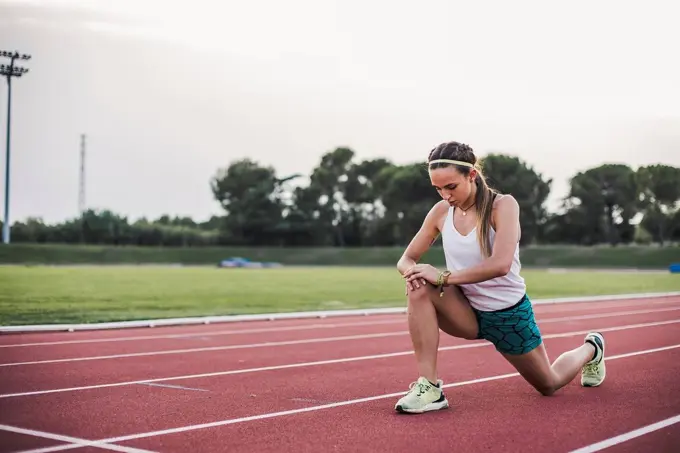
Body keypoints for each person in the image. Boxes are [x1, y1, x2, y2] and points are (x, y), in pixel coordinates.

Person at [394, 141, 606, 414]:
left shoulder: (502, 206)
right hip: (465, 311)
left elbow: (501, 264)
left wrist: (443, 277)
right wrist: (411, 273)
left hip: (506, 313)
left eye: (451, 187)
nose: (445, 195)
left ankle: (592, 348)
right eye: (438, 188)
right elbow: (406, 259)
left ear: (471, 176)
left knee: (549, 384)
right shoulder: (440, 212)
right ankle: (430, 387)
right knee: (419, 285)